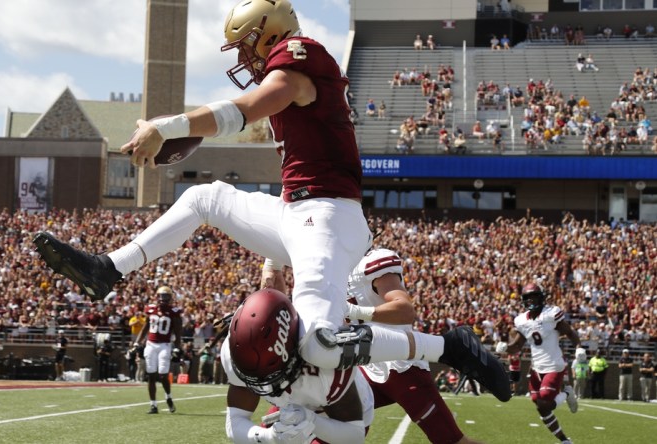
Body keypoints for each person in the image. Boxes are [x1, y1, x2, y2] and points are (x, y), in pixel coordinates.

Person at [32, 0, 510, 401]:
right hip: (296, 211)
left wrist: (168, 126)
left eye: (244, 45)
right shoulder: (293, 66)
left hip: (327, 216)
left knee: (320, 344)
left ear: (268, 35)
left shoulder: (302, 58)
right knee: (204, 198)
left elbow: (246, 110)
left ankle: (446, 347)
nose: (243, 57)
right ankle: (106, 269)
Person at [345, 248, 482, 444]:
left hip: (399, 365)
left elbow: (404, 310)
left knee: (451, 441)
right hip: (365, 365)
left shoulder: (371, 261)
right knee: (333, 422)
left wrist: (354, 311)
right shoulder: (337, 268)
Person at [223, 288, 375, 443]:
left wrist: (311, 421)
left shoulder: (323, 361)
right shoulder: (239, 352)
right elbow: (235, 421)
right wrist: (270, 437)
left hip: (336, 418)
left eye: (272, 374)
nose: (263, 383)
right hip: (291, 405)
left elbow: (353, 435)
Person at [496, 283, 580, 444]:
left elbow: (569, 332)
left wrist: (579, 347)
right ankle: (564, 440)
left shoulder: (550, 314)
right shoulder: (521, 320)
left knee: (545, 402)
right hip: (537, 367)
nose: (531, 301)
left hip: (554, 365)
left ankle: (567, 393)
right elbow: (517, 346)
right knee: (539, 404)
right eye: (528, 298)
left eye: (534, 296)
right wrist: (506, 347)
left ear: (541, 297)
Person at [136, 286, 182, 414]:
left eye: (166, 296)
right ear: (157, 297)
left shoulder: (174, 312)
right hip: (150, 344)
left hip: (164, 345)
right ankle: (153, 405)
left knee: (162, 375)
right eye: (162, 296)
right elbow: (145, 327)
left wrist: (177, 347)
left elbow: (178, 332)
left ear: (171, 298)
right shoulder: (151, 309)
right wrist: (137, 342)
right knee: (151, 374)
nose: (163, 299)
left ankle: (168, 397)